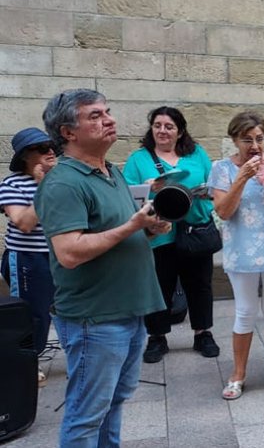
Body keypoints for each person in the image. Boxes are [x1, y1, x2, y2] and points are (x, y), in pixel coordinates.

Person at [35, 89, 168, 446]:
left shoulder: (112, 171)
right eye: (94, 116)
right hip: (95, 319)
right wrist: (132, 226)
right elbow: (70, 252)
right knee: (86, 414)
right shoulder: (63, 182)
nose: (109, 119)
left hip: (129, 311)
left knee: (113, 404)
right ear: (67, 132)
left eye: (107, 111)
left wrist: (149, 229)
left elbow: (117, 234)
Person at [123, 107, 220, 363]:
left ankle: (203, 333)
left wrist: (203, 196)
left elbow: (213, 185)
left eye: (169, 126)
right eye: (157, 125)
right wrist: (150, 188)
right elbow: (129, 195)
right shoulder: (138, 158)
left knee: (200, 284)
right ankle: (157, 337)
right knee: (159, 285)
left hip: (194, 228)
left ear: (180, 131)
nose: (162, 131)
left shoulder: (196, 154)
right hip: (159, 233)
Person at [209, 111, 264, 400]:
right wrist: (242, 178)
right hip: (241, 251)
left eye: (259, 139)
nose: (254, 146)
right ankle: (238, 373)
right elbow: (223, 211)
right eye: (247, 140)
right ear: (234, 140)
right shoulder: (221, 168)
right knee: (245, 311)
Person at [0, 127, 57, 387]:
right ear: (26, 156)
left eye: (50, 146)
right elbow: (23, 222)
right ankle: (26, 363)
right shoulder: (11, 184)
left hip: (59, 255)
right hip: (27, 258)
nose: (50, 152)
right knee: (32, 314)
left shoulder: (61, 179)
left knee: (63, 309)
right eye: (41, 149)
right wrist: (43, 186)